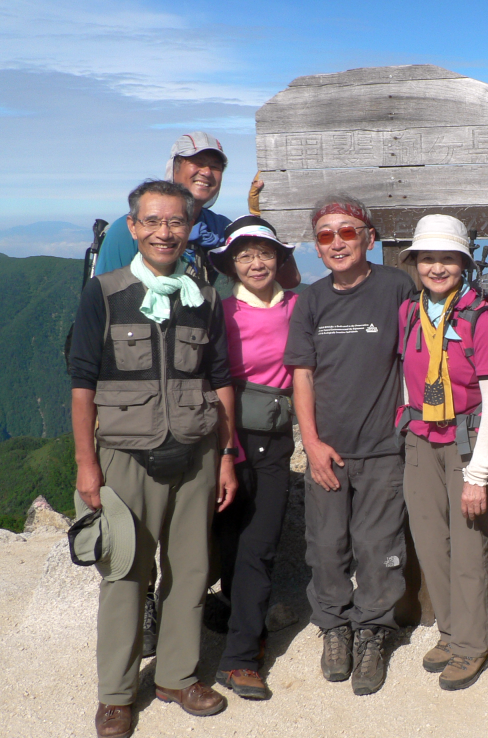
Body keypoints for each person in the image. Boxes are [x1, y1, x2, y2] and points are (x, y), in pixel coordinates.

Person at [68, 179, 238, 738]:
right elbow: (82, 383)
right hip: (124, 455)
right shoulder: (105, 293)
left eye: (177, 222)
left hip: (195, 450)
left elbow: (218, 380)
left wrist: (228, 455)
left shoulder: (204, 295)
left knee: (190, 572)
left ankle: (176, 675)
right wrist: (86, 464)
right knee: (124, 574)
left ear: (190, 230)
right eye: (154, 221)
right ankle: (116, 695)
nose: (166, 232)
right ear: (134, 228)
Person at [283, 194, 416, 696]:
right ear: (316, 247)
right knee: (326, 545)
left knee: (378, 545)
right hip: (329, 449)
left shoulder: (397, 286)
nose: (336, 242)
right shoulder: (311, 300)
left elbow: (416, 355)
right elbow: (303, 375)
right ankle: (334, 628)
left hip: (384, 445)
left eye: (346, 232)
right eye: (324, 235)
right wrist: (311, 443)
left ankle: (373, 631)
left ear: (368, 238)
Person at [396, 215, 488, 691]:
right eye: (428, 258)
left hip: (467, 442)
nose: (437, 267)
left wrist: (479, 475)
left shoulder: (480, 318)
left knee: (467, 547)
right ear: (416, 263)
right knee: (429, 543)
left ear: (463, 263)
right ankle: (448, 629)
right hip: (420, 437)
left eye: (447, 258)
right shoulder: (410, 313)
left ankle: (470, 645)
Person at [203, 216, 299, 700]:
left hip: (274, 441)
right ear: (231, 265)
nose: (256, 263)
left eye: (265, 253)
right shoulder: (219, 312)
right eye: (244, 256)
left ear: (280, 260)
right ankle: (234, 624)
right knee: (225, 544)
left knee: (257, 547)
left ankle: (240, 659)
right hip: (224, 437)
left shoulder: (300, 308)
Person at [94, 132, 300, 287]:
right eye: (198, 163)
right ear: (175, 167)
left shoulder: (219, 229)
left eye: (215, 167)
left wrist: (261, 222)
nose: (207, 172)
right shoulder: (128, 230)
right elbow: (105, 297)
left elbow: (288, 280)